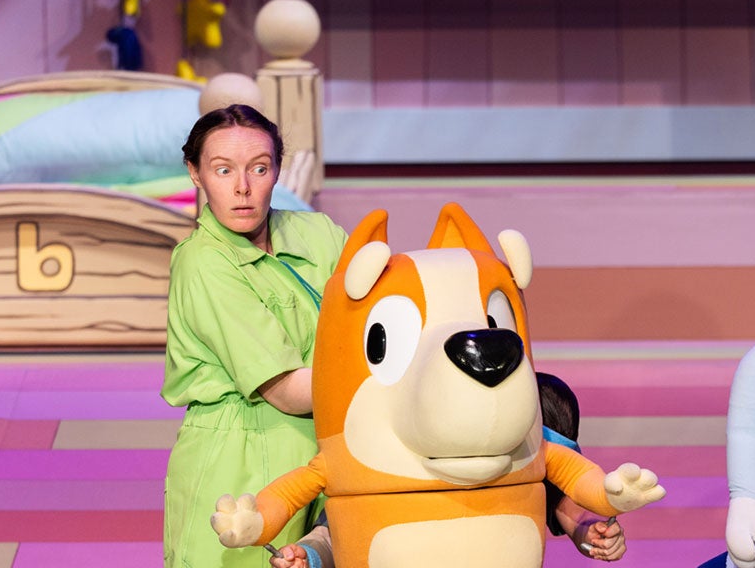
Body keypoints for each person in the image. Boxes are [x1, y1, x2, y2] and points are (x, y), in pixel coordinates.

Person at [162, 104, 349, 568]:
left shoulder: (321, 233)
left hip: (335, 453)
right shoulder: (202, 262)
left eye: (259, 169)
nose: (243, 187)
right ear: (195, 173)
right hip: (238, 465)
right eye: (223, 170)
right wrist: (389, 382)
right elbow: (285, 390)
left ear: (276, 171)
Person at [267, 372, 629, 568]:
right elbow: (332, 535)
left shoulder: (529, 457)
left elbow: (574, 515)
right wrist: (308, 557)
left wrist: (595, 536)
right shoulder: (396, 464)